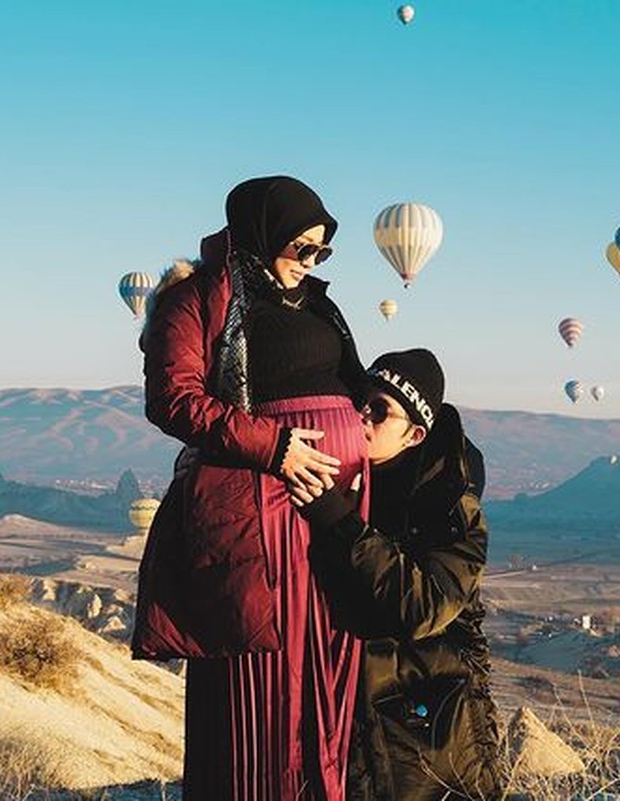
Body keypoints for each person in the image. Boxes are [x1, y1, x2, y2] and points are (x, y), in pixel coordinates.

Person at [134, 175, 369, 800]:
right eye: (301, 249)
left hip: (337, 504)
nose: (310, 263)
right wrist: (277, 446)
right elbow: (173, 398)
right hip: (262, 509)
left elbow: (355, 385)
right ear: (262, 236)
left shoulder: (318, 305)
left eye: (322, 252)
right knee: (267, 670)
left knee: (329, 663)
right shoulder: (200, 298)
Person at [293, 348, 506, 800]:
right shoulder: (344, 477)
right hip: (353, 730)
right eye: (360, 401)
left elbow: (425, 605)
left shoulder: (450, 507)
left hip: (431, 741)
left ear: (414, 435)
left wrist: (338, 519)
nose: (360, 415)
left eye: (380, 410)